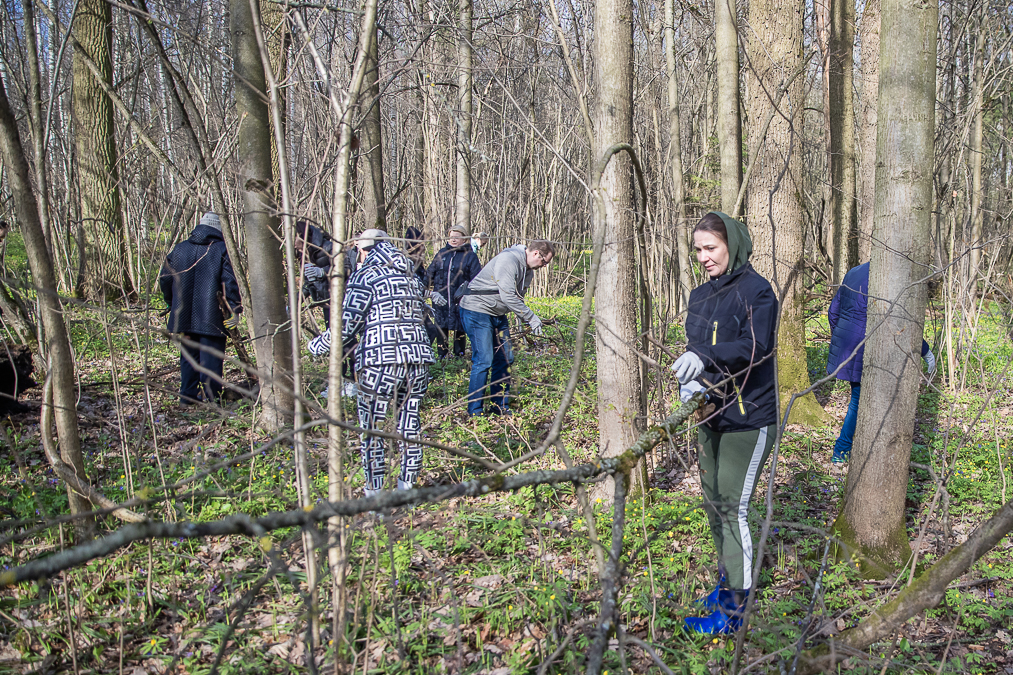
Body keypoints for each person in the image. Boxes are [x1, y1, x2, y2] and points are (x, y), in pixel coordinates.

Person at [670, 212, 778, 634]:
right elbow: (697, 346)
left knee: (734, 511)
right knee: (714, 505)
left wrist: (707, 359)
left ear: (732, 245)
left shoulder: (757, 291)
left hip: (748, 418)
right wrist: (692, 380)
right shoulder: (699, 295)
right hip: (708, 413)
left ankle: (735, 611)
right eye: (697, 249)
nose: (702, 257)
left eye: (709, 248)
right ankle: (726, 582)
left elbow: (756, 346)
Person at [313, 230, 434, 495]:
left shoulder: (366, 275)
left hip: (381, 360)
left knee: (372, 428)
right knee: (409, 425)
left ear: (364, 250)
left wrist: (317, 345)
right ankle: (407, 490)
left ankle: (375, 495)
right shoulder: (410, 275)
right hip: (418, 358)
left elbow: (346, 325)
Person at [826, 261, 935, 463]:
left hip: (851, 346)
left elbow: (834, 311)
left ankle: (854, 450)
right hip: (866, 348)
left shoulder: (854, 272)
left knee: (863, 400)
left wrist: (841, 339)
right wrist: (925, 350)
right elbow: (899, 322)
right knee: (860, 401)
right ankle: (840, 454)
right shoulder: (892, 274)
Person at [458, 240, 554, 416]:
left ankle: (499, 406)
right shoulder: (508, 260)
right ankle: (475, 411)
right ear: (535, 254)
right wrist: (531, 317)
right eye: (544, 262)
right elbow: (508, 296)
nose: (544, 266)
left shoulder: (528, 271)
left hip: (497, 313)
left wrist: (525, 321)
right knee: (484, 359)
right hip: (476, 310)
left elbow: (518, 298)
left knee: (506, 358)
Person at [160, 211, 242, 405]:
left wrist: (171, 302)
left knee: (189, 357)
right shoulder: (221, 249)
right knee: (211, 359)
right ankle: (212, 400)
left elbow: (165, 279)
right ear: (218, 229)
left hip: (183, 314)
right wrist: (235, 309)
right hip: (212, 316)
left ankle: (187, 398)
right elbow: (229, 283)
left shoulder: (179, 249)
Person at [426, 225, 482, 358]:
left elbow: (476, 279)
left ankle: (459, 355)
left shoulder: (470, 256)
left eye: (457, 237)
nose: (454, 240)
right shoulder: (441, 253)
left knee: (460, 328)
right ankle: (442, 356)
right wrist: (423, 288)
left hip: (460, 300)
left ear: (464, 239)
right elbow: (429, 274)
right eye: (451, 237)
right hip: (441, 298)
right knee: (441, 326)